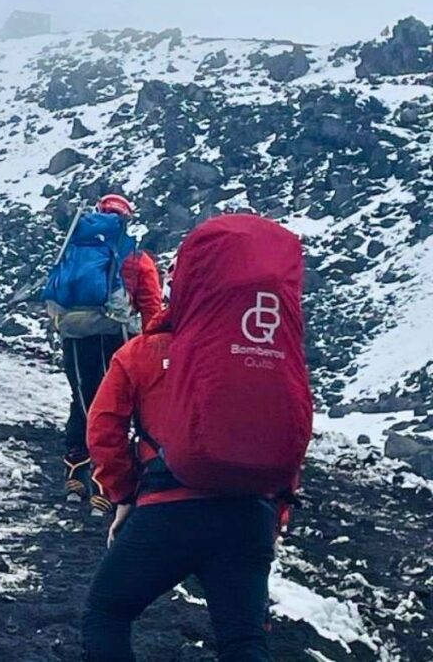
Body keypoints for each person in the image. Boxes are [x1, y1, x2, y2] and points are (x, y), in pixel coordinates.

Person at [82, 214, 312, 662]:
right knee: (244, 641)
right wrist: (277, 512)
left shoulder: (143, 352)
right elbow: (289, 432)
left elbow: (104, 429)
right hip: (250, 515)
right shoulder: (270, 356)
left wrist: (124, 495)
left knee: (107, 612)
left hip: (168, 513)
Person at [42, 194, 162, 506]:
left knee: (82, 397)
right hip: (117, 337)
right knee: (116, 403)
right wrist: (151, 344)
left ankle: (76, 471)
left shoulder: (75, 248)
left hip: (75, 332)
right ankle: (107, 481)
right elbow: (150, 303)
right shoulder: (135, 256)